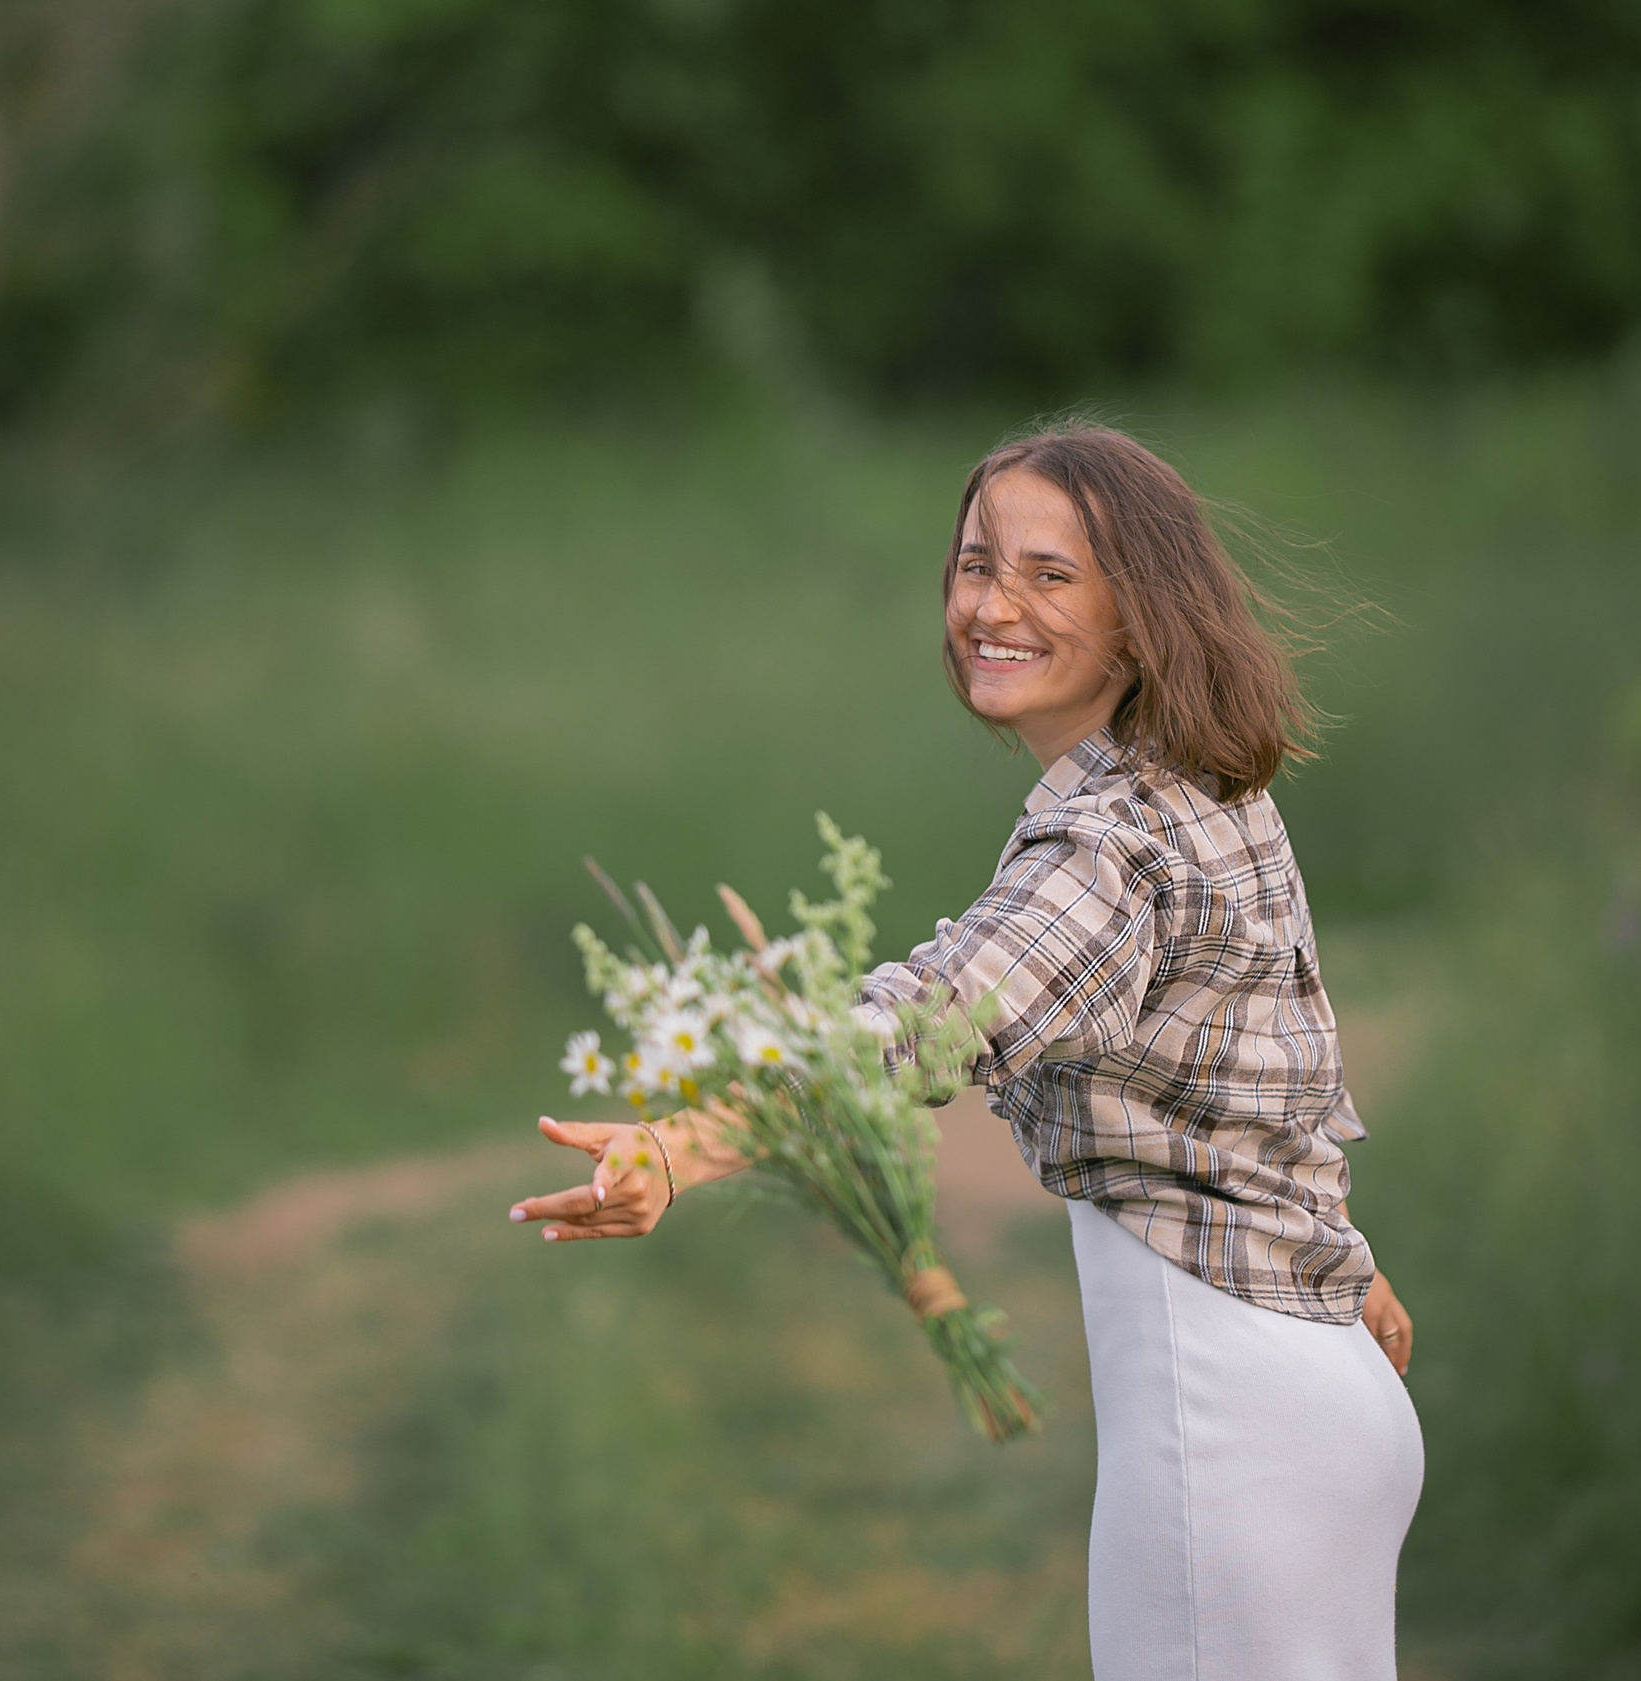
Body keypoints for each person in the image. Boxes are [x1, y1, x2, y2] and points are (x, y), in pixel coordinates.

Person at [509, 421, 1424, 1679]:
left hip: (1235, 1425)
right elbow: (1267, 1081)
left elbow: (929, 1021)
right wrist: (1333, 1267)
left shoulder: (1109, 844)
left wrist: (684, 1144)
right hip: (1312, 1391)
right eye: (975, 563)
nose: (993, 605)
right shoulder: (1202, 785)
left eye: (1051, 575)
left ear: (1137, 612)